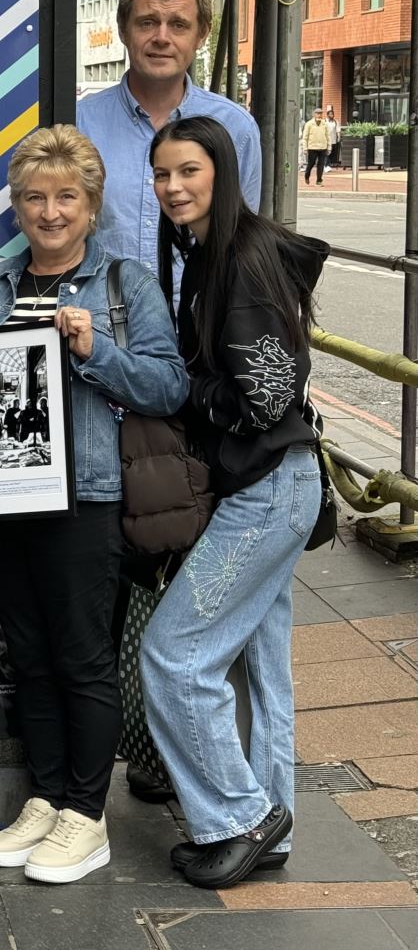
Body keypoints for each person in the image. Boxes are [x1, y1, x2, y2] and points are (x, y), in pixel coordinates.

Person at [0, 125, 187, 884]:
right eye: (33, 198)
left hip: (86, 497)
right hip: (3, 501)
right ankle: (48, 800)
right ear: (16, 206)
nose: (49, 213)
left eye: (66, 198)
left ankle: (88, 816)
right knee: (30, 657)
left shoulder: (124, 285)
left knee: (84, 659)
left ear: (91, 206)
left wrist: (97, 353)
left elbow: (168, 386)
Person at [143, 115, 327, 889]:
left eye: (189, 171)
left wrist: (186, 389)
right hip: (279, 484)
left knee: (174, 655)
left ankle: (238, 818)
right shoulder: (217, 254)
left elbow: (268, 395)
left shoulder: (240, 262)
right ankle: (269, 827)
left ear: (220, 171)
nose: (174, 187)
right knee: (260, 670)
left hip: (265, 492)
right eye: (162, 175)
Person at [77, 0, 262, 276]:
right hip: (100, 323)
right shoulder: (79, 125)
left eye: (178, 24)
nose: (162, 37)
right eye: (147, 22)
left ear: (201, 34)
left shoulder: (235, 129)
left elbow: (242, 247)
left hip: (198, 323)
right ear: (123, 29)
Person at [300, 107, 331, 186]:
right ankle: (307, 175)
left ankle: (319, 180)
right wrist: (305, 148)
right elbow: (305, 137)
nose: (319, 115)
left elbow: (328, 136)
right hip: (312, 147)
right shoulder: (309, 124)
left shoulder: (325, 124)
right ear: (314, 114)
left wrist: (329, 147)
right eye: (317, 114)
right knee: (311, 163)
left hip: (322, 147)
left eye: (320, 114)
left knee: (321, 164)